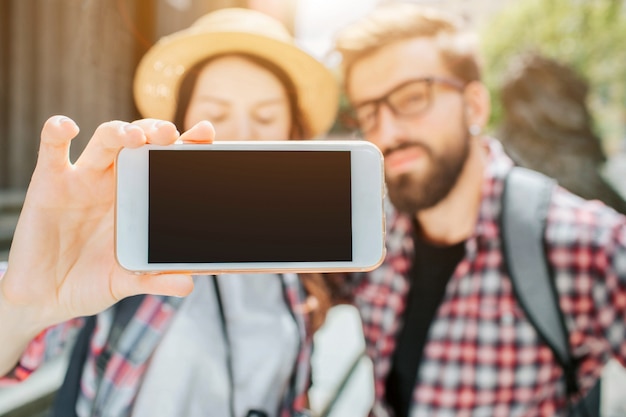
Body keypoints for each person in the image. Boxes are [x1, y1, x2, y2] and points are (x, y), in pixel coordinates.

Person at [0, 8, 339, 417]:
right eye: (217, 113)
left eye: (265, 117)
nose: (243, 136)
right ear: (185, 122)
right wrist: (19, 305)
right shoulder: (128, 240)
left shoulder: (304, 257)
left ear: (291, 133)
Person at [331, 2, 626, 416]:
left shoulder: (586, 243)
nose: (387, 132)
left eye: (412, 98)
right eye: (368, 112)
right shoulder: (368, 240)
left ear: (475, 106)